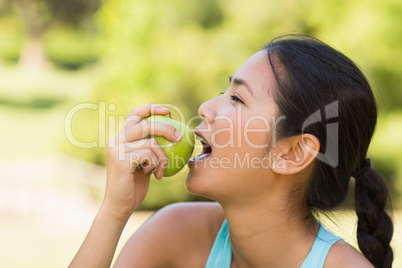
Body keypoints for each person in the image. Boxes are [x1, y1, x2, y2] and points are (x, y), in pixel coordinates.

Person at [69, 34, 394, 268]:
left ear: (293, 153)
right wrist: (114, 211)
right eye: (223, 92)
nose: (206, 108)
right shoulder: (176, 233)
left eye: (237, 99)